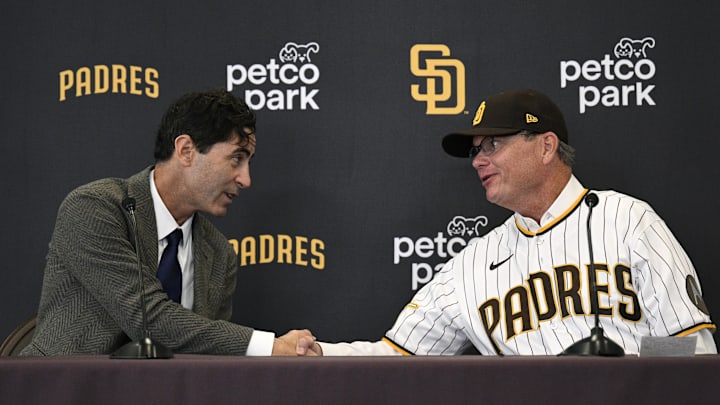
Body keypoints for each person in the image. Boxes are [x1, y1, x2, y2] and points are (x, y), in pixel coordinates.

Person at [312, 89, 717, 356]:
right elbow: (394, 357)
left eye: (494, 144)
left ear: (546, 146)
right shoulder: (469, 267)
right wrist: (306, 351)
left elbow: (691, 350)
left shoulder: (629, 222)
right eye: (475, 150)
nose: (478, 160)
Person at [20, 89, 316, 356]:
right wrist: (270, 346)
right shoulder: (94, 208)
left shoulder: (219, 253)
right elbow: (148, 318)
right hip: (62, 393)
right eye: (236, 158)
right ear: (186, 150)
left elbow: (208, 352)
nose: (246, 179)